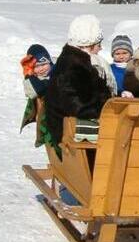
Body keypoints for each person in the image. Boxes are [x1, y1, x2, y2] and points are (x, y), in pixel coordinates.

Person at [44, 14, 117, 148]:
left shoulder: (76, 62)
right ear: (88, 45)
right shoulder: (72, 68)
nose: (100, 48)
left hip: (71, 128)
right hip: (67, 135)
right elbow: (78, 106)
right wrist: (106, 106)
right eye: (98, 44)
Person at [19, 43, 54, 144]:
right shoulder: (33, 80)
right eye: (36, 67)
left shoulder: (56, 70)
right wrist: (29, 75)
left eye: (44, 64)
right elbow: (36, 91)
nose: (41, 69)